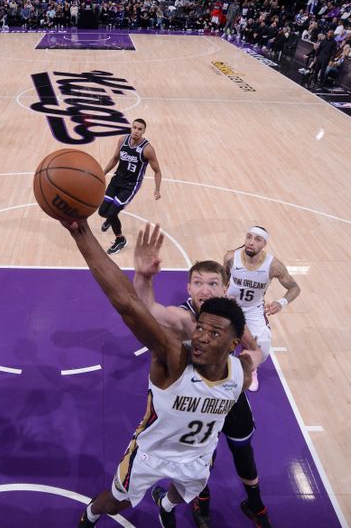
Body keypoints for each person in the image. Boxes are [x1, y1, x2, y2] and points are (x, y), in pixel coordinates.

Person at [66, 219, 252, 528]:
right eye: (201, 327)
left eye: (214, 333)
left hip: (197, 458)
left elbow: (250, 357)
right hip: (152, 453)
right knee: (117, 502)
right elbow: (128, 306)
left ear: (233, 343)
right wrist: (80, 231)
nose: (202, 336)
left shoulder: (240, 373)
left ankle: (164, 504)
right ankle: (90, 514)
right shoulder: (174, 357)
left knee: (183, 494)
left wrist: (257, 349)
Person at [133, 223, 271, 527]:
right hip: (189, 399)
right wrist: (143, 277)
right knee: (198, 459)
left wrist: (256, 358)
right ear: (188, 289)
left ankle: (257, 507)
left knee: (243, 452)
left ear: (225, 289)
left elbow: (253, 345)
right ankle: (201, 501)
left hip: (226, 394)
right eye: (197, 283)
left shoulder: (229, 313)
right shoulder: (183, 318)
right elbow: (148, 309)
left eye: (212, 284)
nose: (205, 290)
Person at [224, 226, 300, 391]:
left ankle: (251, 369)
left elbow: (295, 288)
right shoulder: (231, 257)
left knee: (263, 345)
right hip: (229, 305)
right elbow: (224, 276)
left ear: (264, 244)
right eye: (249, 237)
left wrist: (281, 302)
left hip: (253, 309)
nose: (251, 242)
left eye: (257, 239)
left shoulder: (273, 265)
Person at [98, 118, 162, 255]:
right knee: (102, 212)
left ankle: (120, 240)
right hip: (116, 180)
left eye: (140, 129)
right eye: (134, 127)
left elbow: (157, 171)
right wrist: (102, 173)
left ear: (144, 131)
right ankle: (111, 218)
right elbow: (115, 159)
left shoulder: (147, 149)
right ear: (131, 128)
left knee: (112, 212)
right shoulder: (122, 140)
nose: (136, 131)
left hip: (130, 186)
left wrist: (157, 189)